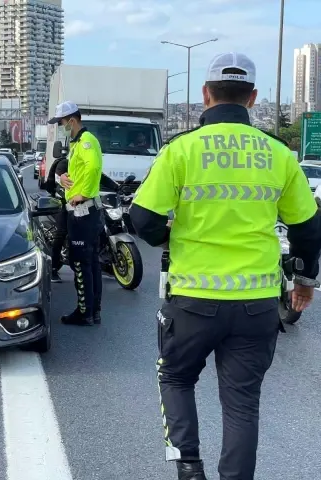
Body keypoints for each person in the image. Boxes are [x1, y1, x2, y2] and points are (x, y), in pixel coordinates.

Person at [130, 52, 321, 480]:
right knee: (242, 404)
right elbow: (309, 228)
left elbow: (141, 220)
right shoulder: (280, 155)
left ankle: (188, 468)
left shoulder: (181, 150)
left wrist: (168, 237)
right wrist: (304, 282)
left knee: (176, 380)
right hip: (256, 306)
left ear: (205, 95)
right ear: (253, 98)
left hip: (193, 301)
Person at [48, 101, 103, 326]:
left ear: (71, 120)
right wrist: (63, 178)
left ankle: (84, 312)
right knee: (90, 263)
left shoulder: (87, 141)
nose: (60, 126)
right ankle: (92, 311)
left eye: (61, 122)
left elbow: (93, 168)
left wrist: (84, 194)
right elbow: (80, 170)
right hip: (82, 212)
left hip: (83, 212)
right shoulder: (77, 143)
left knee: (81, 263)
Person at [44, 151, 69, 283]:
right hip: (61, 202)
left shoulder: (86, 165)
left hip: (81, 202)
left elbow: (100, 176)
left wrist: (116, 187)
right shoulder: (64, 163)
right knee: (61, 232)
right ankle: (53, 268)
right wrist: (65, 195)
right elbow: (59, 179)